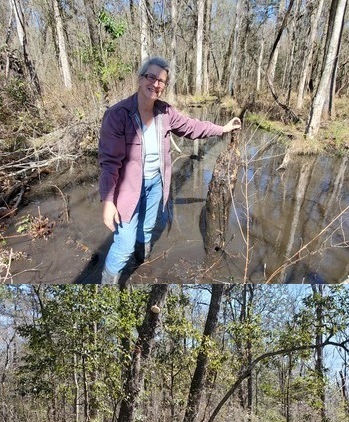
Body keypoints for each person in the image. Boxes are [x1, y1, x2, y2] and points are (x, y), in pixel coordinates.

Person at [97, 56, 241, 284]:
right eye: (150, 77)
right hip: (127, 189)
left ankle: (140, 261)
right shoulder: (118, 115)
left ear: (165, 85)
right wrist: (108, 201)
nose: (155, 84)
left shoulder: (165, 113)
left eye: (161, 81)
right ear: (141, 78)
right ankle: (108, 282)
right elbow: (109, 163)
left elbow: (192, 127)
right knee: (123, 243)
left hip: (156, 182)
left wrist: (222, 128)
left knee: (148, 227)